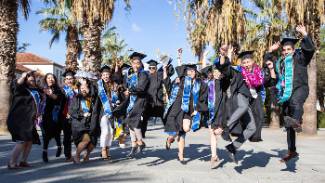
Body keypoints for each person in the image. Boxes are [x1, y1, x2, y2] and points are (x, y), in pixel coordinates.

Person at [264, 25, 315, 162]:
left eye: (289, 49)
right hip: (286, 94)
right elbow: (269, 66)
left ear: (293, 50)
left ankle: (297, 121)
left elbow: (309, 50)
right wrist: (269, 51)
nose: (286, 51)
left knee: (295, 104)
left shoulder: (300, 57)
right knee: (288, 124)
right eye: (284, 49)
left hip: (300, 88)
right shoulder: (280, 63)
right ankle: (292, 151)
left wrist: (304, 34)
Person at [213, 45, 256, 164]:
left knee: (252, 128)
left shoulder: (257, 73)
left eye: (249, 62)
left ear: (253, 62)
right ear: (241, 64)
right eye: (244, 62)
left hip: (248, 100)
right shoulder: (238, 72)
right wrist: (224, 55)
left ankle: (232, 147)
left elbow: (265, 82)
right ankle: (224, 127)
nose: (247, 64)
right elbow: (226, 69)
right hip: (239, 97)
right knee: (242, 106)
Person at [163, 64, 208, 164]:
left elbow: (202, 97)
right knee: (179, 132)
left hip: (189, 111)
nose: (191, 73)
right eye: (189, 71)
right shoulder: (182, 81)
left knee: (186, 129)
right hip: (179, 109)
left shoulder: (200, 83)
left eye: (193, 71)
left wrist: (198, 109)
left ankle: (171, 139)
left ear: (196, 72)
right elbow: (169, 85)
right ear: (186, 72)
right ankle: (181, 155)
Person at [7, 71, 42, 169]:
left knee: (29, 140)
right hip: (19, 120)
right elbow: (17, 84)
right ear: (25, 80)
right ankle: (12, 162)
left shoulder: (35, 90)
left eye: (33, 80)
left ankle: (23, 161)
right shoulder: (20, 89)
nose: (32, 81)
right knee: (21, 141)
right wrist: (23, 76)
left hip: (29, 120)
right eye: (29, 79)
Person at [123, 52, 149, 158]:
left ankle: (140, 142)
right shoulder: (132, 75)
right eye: (134, 63)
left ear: (140, 64)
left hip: (140, 100)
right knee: (130, 122)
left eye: (138, 63)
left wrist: (130, 90)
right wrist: (125, 89)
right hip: (132, 101)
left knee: (134, 121)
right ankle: (134, 145)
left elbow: (141, 88)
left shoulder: (143, 74)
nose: (136, 65)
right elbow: (126, 85)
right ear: (132, 64)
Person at [69, 78, 100, 163]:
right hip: (80, 124)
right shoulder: (77, 98)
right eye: (81, 87)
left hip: (91, 123)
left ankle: (86, 155)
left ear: (89, 88)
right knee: (86, 140)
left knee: (93, 143)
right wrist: (82, 115)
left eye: (85, 87)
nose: (83, 89)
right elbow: (71, 111)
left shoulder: (94, 98)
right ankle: (77, 156)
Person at [97, 65, 122, 159]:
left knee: (111, 131)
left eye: (107, 74)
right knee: (105, 130)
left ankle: (107, 149)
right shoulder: (98, 85)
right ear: (101, 76)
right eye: (104, 74)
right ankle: (103, 149)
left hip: (113, 111)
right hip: (103, 111)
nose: (106, 76)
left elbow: (117, 98)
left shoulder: (113, 85)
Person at [141, 59, 172, 138]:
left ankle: (171, 134)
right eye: (150, 68)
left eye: (153, 68)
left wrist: (165, 69)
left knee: (164, 117)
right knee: (144, 119)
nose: (152, 69)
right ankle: (142, 135)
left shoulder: (160, 74)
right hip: (148, 102)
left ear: (156, 68)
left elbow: (166, 80)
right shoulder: (146, 75)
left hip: (158, 101)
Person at [40, 73, 64, 163]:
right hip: (45, 115)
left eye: (52, 78)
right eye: (48, 78)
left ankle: (59, 146)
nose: (50, 79)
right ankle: (44, 153)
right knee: (45, 135)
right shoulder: (42, 89)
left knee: (56, 133)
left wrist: (49, 94)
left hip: (55, 115)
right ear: (45, 79)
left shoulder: (58, 90)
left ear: (55, 80)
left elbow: (57, 98)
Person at [60, 70, 78, 161]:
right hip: (65, 116)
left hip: (76, 116)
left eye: (70, 79)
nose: (69, 81)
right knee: (67, 136)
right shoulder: (62, 90)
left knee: (76, 135)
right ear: (64, 80)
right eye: (67, 79)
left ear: (73, 79)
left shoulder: (77, 90)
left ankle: (76, 153)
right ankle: (68, 155)